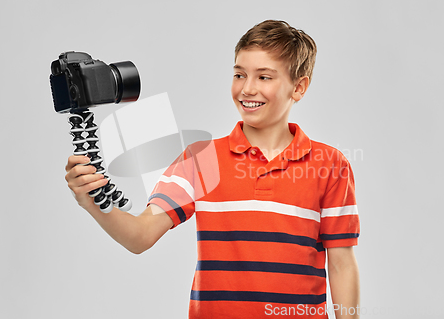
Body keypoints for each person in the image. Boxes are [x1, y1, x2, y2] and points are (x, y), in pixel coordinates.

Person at [65, 19, 360, 319]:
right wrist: (91, 200)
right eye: (239, 74)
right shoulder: (201, 159)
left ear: (299, 87)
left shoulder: (330, 165)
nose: (247, 89)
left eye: (264, 77)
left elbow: (341, 263)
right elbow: (140, 236)